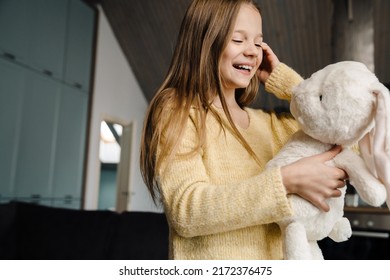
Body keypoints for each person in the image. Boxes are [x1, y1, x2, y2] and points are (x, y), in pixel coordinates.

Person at [140, 0, 347, 260]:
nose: (252, 51)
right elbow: (186, 210)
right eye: (238, 40)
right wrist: (285, 181)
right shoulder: (177, 109)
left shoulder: (271, 126)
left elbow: (351, 136)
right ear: (204, 42)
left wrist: (288, 84)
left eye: (258, 42)